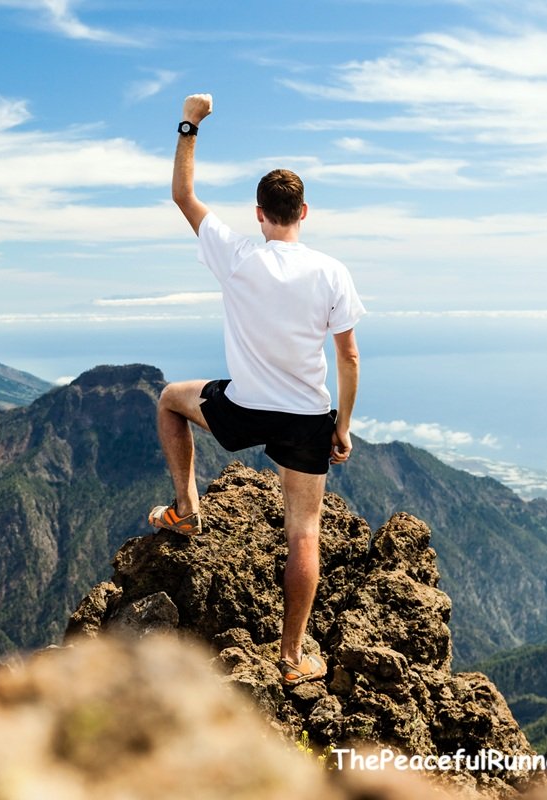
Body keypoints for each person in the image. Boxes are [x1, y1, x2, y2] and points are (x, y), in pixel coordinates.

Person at [148, 93, 364, 686]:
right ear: (304, 212)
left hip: (242, 409)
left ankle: (187, 509)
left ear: (260, 214)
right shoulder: (331, 272)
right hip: (305, 419)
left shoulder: (239, 255)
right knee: (303, 533)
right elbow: (347, 355)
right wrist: (341, 426)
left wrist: (191, 122)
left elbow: (183, 197)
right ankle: (291, 659)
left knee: (169, 398)